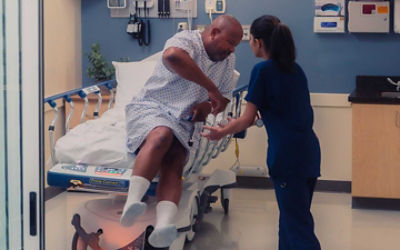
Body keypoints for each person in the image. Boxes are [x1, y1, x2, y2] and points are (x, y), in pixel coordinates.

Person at [120, 15, 243, 248]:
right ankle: (133, 202)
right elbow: (172, 57)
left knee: (176, 160)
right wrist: (210, 89)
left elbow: (223, 99)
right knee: (161, 136)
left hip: (186, 120)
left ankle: (164, 226)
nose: (231, 49)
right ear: (214, 32)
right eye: (230, 42)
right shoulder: (187, 39)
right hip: (152, 107)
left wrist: (206, 106)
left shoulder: (228, 61)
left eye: (235, 45)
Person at [202, 15, 321, 250]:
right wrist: (260, 116)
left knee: (297, 226)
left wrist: (222, 131)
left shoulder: (262, 70)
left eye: (248, 40)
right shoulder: (295, 70)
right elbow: (287, 109)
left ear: (257, 41)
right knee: (290, 220)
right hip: (309, 153)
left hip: (287, 157)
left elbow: (246, 119)